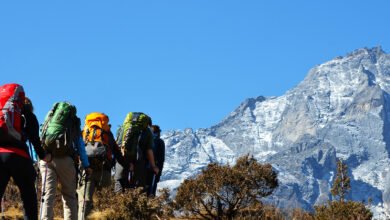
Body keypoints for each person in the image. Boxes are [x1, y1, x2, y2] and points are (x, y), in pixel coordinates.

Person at [0, 85, 51, 220]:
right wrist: (44, 156)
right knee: (29, 198)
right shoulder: (28, 115)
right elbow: (35, 140)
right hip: (19, 157)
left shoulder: (3, 112)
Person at [39, 102, 91, 220]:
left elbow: (41, 135)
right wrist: (86, 165)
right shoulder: (74, 121)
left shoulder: (50, 116)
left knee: (47, 195)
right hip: (66, 160)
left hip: (47, 159)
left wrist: (41, 155)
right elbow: (80, 146)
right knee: (69, 196)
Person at [77, 113, 127, 220]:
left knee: (85, 200)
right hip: (105, 170)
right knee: (104, 200)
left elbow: (77, 150)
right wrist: (126, 165)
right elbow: (117, 153)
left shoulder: (84, 132)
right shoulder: (107, 133)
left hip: (87, 170)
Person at [114, 113, 159, 193]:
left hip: (121, 159)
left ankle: (118, 202)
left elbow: (116, 145)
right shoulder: (147, 131)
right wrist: (153, 166)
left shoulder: (122, 128)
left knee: (119, 182)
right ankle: (135, 203)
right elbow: (149, 150)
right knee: (139, 187)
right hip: (138, 161)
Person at [149, 125, 165, 196]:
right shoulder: (159, 142)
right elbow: (161, 159)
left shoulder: (145, 140)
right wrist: (159, 172)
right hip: (154, 169)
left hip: (142, 169)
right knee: (151, 191)